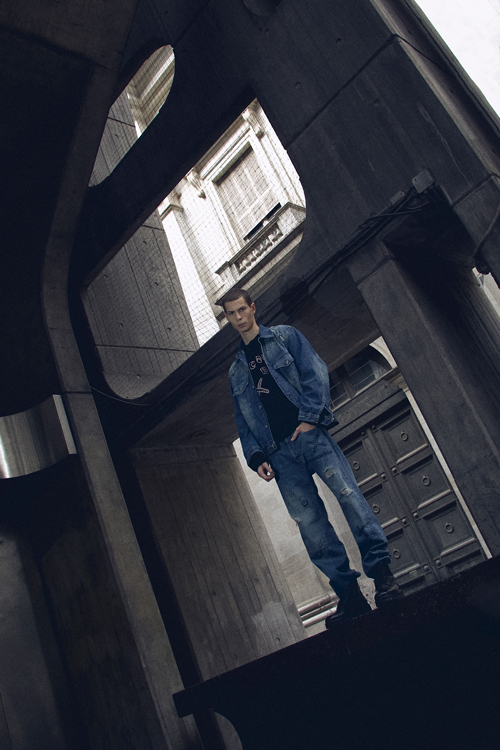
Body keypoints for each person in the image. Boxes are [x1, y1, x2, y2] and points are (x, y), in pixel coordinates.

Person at [222, 287, 402, 627]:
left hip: (310, 437)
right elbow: (241, 419)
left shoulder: (284, 337)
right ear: (228, 318)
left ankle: (383, 577)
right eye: (231, 313)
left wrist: (309, 418)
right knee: (310, 524)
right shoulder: (236, 371)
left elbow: (314, 371)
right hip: (278, 454)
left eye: (242, 309)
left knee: (349, 497)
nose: (238, 317)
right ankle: (350, 596)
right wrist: (256, 455)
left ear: (253, 308)